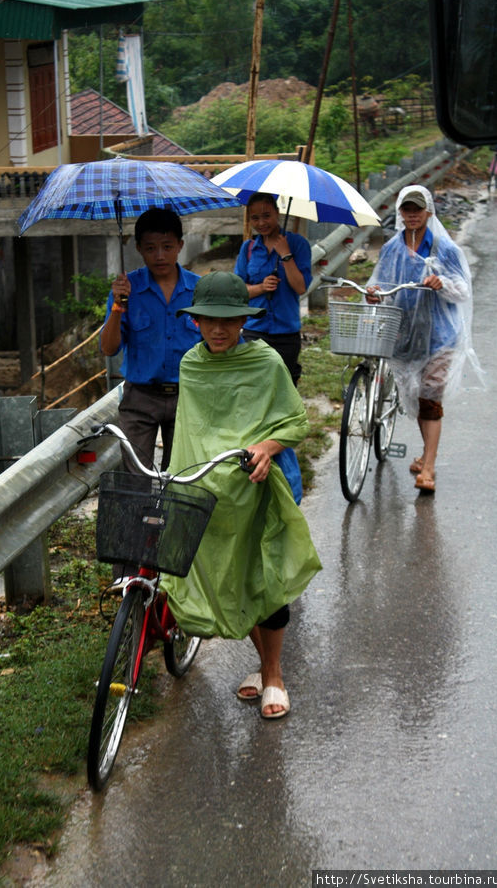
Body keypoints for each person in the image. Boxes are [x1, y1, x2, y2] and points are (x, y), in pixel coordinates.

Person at [161, 271, 322, 719]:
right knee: (229, 578)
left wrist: (267, 447)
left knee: (265, 581)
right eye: (209, 319)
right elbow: (193, 433)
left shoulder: (266, 362)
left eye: (229, 320)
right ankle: (263, 665)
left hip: (256, 488)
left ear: (243, 321)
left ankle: (273, 674)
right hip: (207, 491)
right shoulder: (191, 365)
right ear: (195, 321)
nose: (218, 328)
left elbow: (295, 422)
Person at [366, 184, 481, 493]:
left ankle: (428, 467)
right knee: (418, 398)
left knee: (430, 399)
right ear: (399, 213)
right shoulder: (391, 248)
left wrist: (440, 282)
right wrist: (373, 293)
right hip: (405, 335)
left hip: (440, 337)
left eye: (418, 209)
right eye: (407, 209)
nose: (412, 214)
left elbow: (463, 290)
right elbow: (380, 282)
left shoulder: (445, 248)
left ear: (429, 212)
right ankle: (425, 455)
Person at [100, 208, 200, 472]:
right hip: (140, 397)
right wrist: (118, 307)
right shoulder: (126, 289)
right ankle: (140, 515)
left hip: (188, 395)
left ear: (180, 245)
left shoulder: (199, 290)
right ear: (139, 249)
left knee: (180, 475)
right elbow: (109, 348)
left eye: (167, 247)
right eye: (150, 248)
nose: (159, 255)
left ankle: (168, 516)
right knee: (136, 476)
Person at [234, 192, 312, 385]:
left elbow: (301, 287)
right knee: (253, 389)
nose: (261, 223)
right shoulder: (248, 248)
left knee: (283, 392)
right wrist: (261, 287)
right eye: (255, 218)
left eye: (266, 215)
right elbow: (237, 291)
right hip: (254, 331)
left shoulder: (297, 244)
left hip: (286, 333)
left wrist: (286, 255)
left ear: (277, 213)